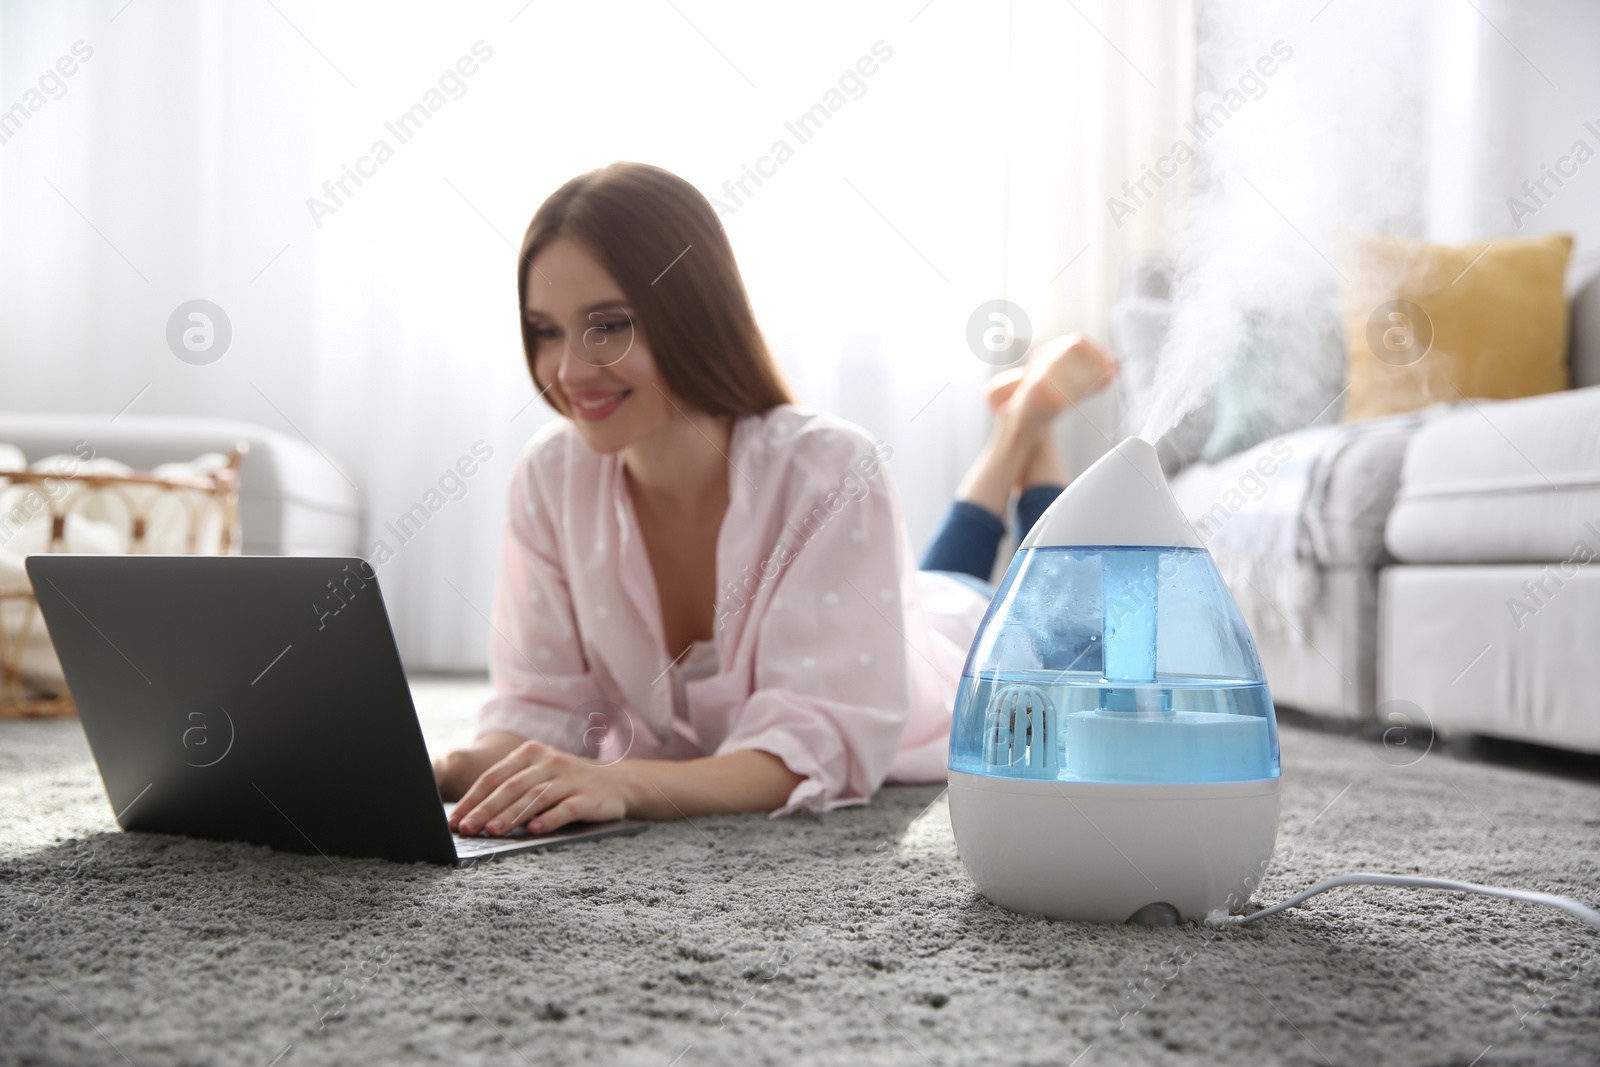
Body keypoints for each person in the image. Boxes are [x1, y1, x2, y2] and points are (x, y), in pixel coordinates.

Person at [433, 162, 1117, 837]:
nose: (569, 370)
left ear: (692, 312)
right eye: (546, 330)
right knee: (938, 576)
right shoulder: (550, 476)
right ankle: (1018, 426)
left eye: (607, 326)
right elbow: (540, 712)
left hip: (959, 659)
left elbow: (807, 745)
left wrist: (623, 781)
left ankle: (1026, 425)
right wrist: (443, 766)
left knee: (1071, 635)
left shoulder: (829, 467)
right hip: (902, 605)